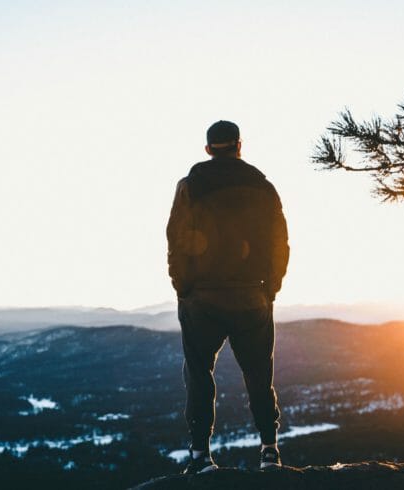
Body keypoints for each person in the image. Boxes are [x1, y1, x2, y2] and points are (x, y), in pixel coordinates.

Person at [166, 120, 289, 473]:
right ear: (239, 145)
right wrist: (271, 287)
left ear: (208, 149)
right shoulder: (263, 187)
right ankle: (269, 451)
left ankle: (201, 456)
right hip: (252, 296)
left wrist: (183, 286)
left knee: (200, 374)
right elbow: (279, 242)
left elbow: (176, 238)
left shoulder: (190, 186)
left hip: (202, 298)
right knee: (258, 374)